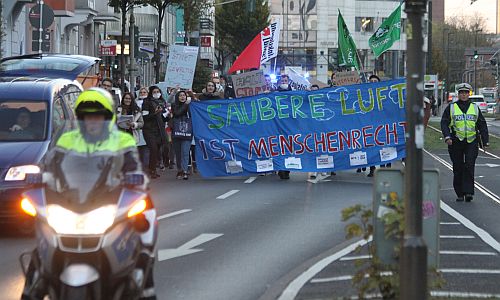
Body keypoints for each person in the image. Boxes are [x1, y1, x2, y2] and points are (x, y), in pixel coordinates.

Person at [25, 88, 156, 300]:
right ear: (80, 118)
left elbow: (133, 167)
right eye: (87, 116)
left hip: (109, 199)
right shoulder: (66, 140)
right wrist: (39, 177)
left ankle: (145, 284)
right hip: (71, 200)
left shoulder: (123, 141)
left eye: (98, 116)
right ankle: (32, 288)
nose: (92, 121)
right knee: (41, 250)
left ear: (108, 117)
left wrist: (136, 177)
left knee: (142, 235)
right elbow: (49, 165)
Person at [440, 82, 489, 202]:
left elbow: (482, 124)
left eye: (466, 93)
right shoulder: (451, 107)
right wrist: (447, 137)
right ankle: (460, 193)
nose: (463, 95)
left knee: (469, 165)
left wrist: (485, 141)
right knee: (458, 167)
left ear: (469, 94)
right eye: (461, 93)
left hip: (471, 141)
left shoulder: (475, 108)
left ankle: (468, 192)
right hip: (456, 141)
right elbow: (444, 123)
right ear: (458, 94)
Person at [142, 86, 170, 179]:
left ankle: (154, 167)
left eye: (158, 91)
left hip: (159, 130)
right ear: (151, 93)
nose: (156, 93)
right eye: (154, 91)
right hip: (149, 130)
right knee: (153, 149)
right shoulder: (146, 102)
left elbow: (163, 118)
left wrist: (168, 115)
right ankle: (151, 170)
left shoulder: (162, 102)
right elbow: (145, 117)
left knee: (158, 150)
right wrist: (155, 113)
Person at [171, 90, 193, 180]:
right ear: (177, 97)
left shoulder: (190, 106)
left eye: (184, 95)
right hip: (176, 132)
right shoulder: (174, 105)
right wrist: (186, 105)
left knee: (185, 152)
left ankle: (184, 170)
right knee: (178, 153)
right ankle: (179, 170)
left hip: (187, 132)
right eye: (180, 95)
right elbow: (177, 113)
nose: (182, 97)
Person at [277, 74, 293, 180]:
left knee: (289, 147)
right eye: (282, 80)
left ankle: (287, 169)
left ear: (289, 81)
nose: (284, 81)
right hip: (277, 125)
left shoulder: (294, 93)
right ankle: (281, 169)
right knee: (279, 147)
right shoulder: (274, 93)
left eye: (285, 80)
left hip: (290, 125)